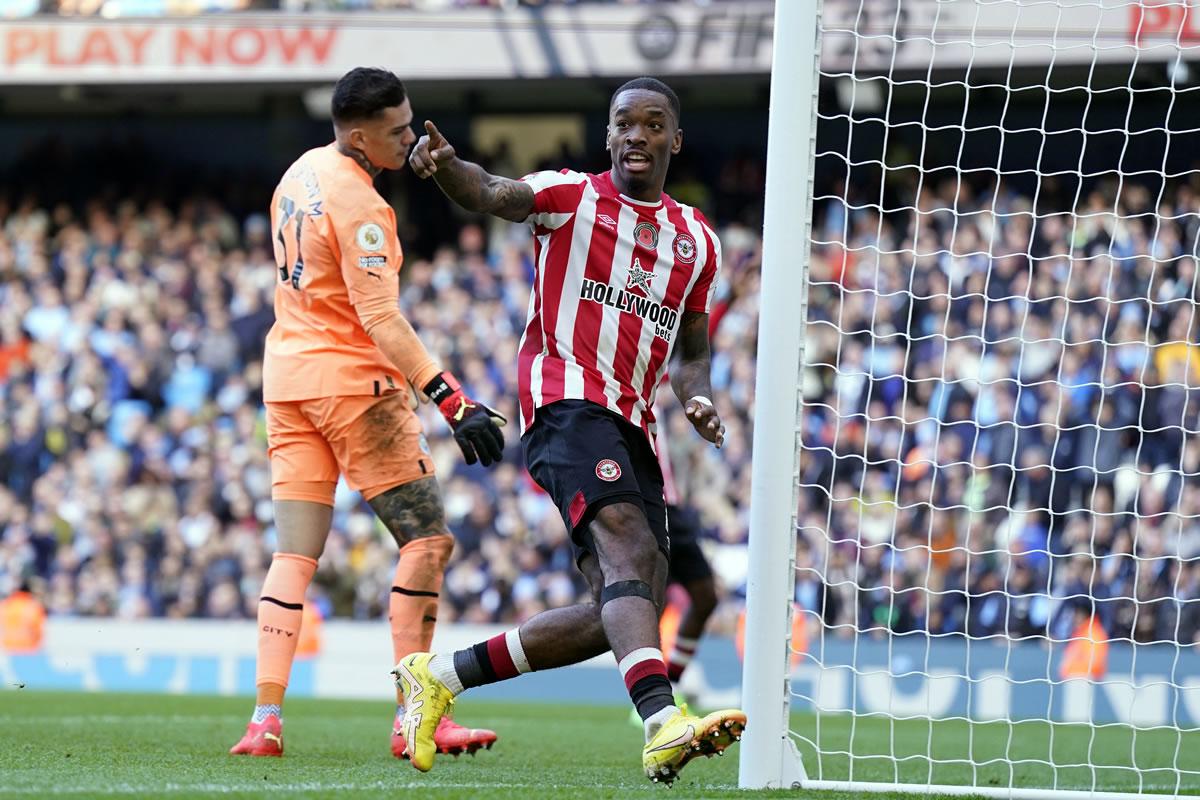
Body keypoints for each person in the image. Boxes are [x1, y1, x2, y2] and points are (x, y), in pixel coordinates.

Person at [395, 76, 745, 784]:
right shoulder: (571, 197)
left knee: (621, 605)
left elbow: (693, 355)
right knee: (625, 541)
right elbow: (492, 192)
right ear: (609, 134)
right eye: (624, 123)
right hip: (564, 403)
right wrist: (447, 168)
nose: (637, 135)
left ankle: (438, 678)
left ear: (673, 140)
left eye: (653, 125)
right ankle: (662, 723)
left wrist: (698, 399)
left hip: (635, 424)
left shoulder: (697, 243)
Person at [229, 67, 506, 760]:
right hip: (354, 390)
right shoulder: (362, 207)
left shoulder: (299, 174)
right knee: (427, 542)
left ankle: (265, 720)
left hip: (288, 382)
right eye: (397, 131)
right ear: (360, 136)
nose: (410, 137)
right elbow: (380, 317)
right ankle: (417, 716)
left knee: (293, 554)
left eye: (410, 122)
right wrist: (452, 398)